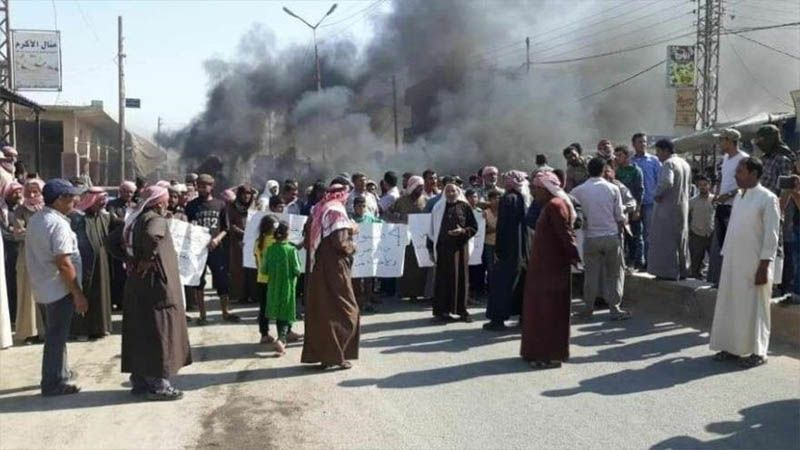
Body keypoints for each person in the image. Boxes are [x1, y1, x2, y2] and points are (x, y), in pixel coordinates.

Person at [107, 185, 191, 400]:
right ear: (159, 202)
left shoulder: (133, 219)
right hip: (156, 285)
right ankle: (159, 385)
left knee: (140, 329)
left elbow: (111, 242)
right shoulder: (155, 219)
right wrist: (145, 260)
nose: (168, 204)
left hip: (137, 283)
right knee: (159, 330)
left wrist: (129, 260)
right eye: (165, 200)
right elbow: (153, 236)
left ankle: (140, 381)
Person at [709, 158, 780, 369]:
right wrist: (726, 255)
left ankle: (759, 352)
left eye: (740, 171)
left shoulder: (767, 198)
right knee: (731, 304)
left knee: (755, 308)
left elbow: (771, 236)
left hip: (755, 264)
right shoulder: (739, 197)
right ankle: (732, 346)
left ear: (754, 174)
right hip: (733, 261)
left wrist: (764, 265)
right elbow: (733, 231)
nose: (735, 175)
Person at [25, 179, 88, 396]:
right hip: (59, 290)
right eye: (71, 197)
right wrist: (78, 293)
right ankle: (53, 383)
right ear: (60, 200)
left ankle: (60, 373)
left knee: (56, 335)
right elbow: (63, 262)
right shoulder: (58, 224)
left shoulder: (37, 219)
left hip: (43, 288)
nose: (75, 201)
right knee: (56, 337)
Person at [520, 170, 580, 369]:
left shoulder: (556, 206)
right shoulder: (547, 205)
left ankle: (550, 355)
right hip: (542, 267)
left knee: (549, 311)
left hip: (552, 269)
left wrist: (574, 256)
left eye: (536, 188)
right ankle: (535, 351)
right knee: (537, 310)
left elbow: (566, 234)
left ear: (547, 189)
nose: (533, 192)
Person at [301, 184, 359, 370]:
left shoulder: (319, 209)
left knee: (324, 310)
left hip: (318, 266)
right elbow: (340, 243)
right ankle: (336, 355)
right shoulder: (336, 211)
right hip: (335, 266)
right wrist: (353, 241)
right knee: (347, 310)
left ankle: (326, 355)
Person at [570, 158, 631, 320]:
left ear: (588, 171)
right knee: (615, 274)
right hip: (611, 236)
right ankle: (615, 309)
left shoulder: (578, 191)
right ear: (604, 170)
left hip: (591, 238)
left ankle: (588, 308)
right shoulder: (612, 188)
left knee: (591, 275)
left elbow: (571, 210)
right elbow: (619, 216)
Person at [185, 174, 239, 325]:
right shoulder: (191, 206)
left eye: (206, 185)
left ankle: (225, 312)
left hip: (216, 249)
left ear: (212, 186)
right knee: (199, 281)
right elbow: (187, 227)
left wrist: (216, 239)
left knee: (222, 280)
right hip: (198, 251)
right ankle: (202, 315)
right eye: (200, 185)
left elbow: (225, 228)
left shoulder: (220, 204)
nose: (203, 188)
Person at [485, 170, 529, 331]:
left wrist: (499, 249)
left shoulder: (507, 199)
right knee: (520, 283)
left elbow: (502, 227)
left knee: (501, 285)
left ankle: (497, 320)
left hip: (508, 250)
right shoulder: (522, 198)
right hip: (521, 250)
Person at [428, 183, 478, 323]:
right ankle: (441, 312)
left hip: (460, 250)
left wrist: (462, 231)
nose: (451, 193)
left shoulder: (465, 206)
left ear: (458, 192)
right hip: (443, 250)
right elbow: (431, 231)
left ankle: (461, 311)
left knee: (460, 279)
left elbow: (474, 227)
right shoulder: (438, 208)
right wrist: (430, 249)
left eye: (453, 191)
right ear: (444, 193)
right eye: (448, 191)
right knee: (443, 280)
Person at [69, 187, 112, 340]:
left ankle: (100, 328)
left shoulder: (104, 216)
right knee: (84, 293)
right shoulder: (77, 217)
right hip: (83, 263)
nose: (103, 203)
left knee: (100, 293)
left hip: (101, 263)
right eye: (100, 200)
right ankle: (82, 330)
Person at [708, 128, 748, 285]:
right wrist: (718, 195)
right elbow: (723, 180)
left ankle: (735, 281)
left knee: (734, 244)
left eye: (722, 140)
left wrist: (729, 195)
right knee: (723, 245)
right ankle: (724, 279)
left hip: (735, 207)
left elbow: (746, 184)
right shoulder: (725, 158)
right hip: (722, 206)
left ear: (731, 141)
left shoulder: (743, 159)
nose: (720, 143)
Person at [648, 139, 691, 281]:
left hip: (668, 208)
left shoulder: (668, 163)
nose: (658, 155)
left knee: (665, 240)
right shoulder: (684, 163)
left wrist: (657, 194)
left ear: (666, 150)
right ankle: (683, 270)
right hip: (682, 206)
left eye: (659, 151)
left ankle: (668, 272)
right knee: (681, 240)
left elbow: (667, 181)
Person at [12, 178, 46, 344]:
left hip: (45, 257)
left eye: (36, 192)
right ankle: (29, 332)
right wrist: (40, 232)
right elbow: (19, 233)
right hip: (26, 257)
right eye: (28, 192)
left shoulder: (47, 209)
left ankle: (44, 330)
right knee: (27, 295)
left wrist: (32, 231)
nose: (32, 195)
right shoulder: (20, 210)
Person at [385, 176, 429, 301]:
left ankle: (420, 292)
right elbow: (388, 213)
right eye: (418, 187)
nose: (420, 189)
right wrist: (400, 219)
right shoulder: (401, 201)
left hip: (421, 239)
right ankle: (406, 292)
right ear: (412, 187)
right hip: (405, 239)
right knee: (407, 266)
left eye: (422, 187)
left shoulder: (426, 200)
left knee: (421, 265)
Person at [262, 221, 302, 355]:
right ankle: (282, 339)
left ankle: (283, 336)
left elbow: (264, 270)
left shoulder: (270, 249)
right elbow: (297, 270)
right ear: (287, 234)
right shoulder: (291, 250)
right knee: (285, 312)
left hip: (273, 286)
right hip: (288, 286)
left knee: (279, 312)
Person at [631, 132, 662, 267]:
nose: (643, 144)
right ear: (633, 144)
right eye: (640, 142)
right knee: (636, 233)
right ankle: (638, 260)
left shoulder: (654, 161)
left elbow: (660, 179)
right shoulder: (631, 162)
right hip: (635, 203)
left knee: (649, 233)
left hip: (650, 202)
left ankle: (650, 262)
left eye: (644, 142)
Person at [106, 180, 137, 310]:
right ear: (120, 191)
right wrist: (128, 222)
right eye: (125, 191)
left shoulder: (135, 205)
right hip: (116, 245)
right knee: (117, 274)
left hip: (131, 244)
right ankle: (116, 300)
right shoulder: (112, 204)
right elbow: (112, 219)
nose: (128, 194)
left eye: (130, 192)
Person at [614, 145, 645, 270]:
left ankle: (636, 262)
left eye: (619, 155)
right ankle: (624, 261)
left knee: (635, 235)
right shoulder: (616, 171)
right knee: (623, 236)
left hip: (632, 207)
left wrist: (637, 209)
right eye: (616, 155)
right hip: (620, 208)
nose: (617, 158)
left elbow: (639, 191)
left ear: (627, 157)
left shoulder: (635, 171)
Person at [226, 184, 258, 305]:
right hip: (238, 243)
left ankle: (253, 295)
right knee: (239, 270)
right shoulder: (232, 207)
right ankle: (240, 295)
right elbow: (231, 225)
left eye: (249, 194)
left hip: (252, 241)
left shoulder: (254, 207)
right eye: (244, 193)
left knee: (252, 269)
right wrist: (244, 233)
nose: (246, 196)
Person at [351, 196, 382, 314]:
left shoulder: (369, 218)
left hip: (369, 253)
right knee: (356, 280)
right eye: (359, 206)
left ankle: (368, 302)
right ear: (354, 207)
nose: (361, 208)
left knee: (369, 280)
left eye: (363, 206)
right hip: (356, 254)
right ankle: (358, 302)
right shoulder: (350, 220)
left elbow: (381, 225)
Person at [255, 214, 279, 344]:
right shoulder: (275, 241)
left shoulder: (258, 241)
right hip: (274, 279)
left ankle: (264, 334)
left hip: (261, 278)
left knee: (263, 308)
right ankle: (285, 333)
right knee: (281, 306)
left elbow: (256, 261)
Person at [2, 181, 22, 322]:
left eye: (19, 192)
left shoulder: (20, 209)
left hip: (19, 252)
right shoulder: (3, 210)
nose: (18, 195)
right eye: (15, 192)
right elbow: (5, 232)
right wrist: (17, 233)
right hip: (7, 252)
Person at [688, 176, 715, 280]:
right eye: (700, 185)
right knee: (696, 260)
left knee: (714, 260)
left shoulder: (715, 199)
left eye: (705, 185)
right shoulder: (692, 201)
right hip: (696, 234)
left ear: (709, 185)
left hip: (711, 234)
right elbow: (687, 216)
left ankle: (712, 279)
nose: (703, 187)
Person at [780, 173, 800, 304]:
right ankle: (790, 291)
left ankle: (796, 292)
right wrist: (787, 192)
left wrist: (794, 193)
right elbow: (781, 207)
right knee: (792, 262)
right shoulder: (790, 190)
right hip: (793, 230)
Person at [482, 189, 500, 300]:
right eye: (494, 198)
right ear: (490, 200)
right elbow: (482, 229)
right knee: (490, 267)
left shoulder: (504, 211)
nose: (497, 200)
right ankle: (491, 289)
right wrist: (492, 230)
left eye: (499, 198)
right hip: (488, 243)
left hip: (501, 243)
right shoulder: (486, 213)